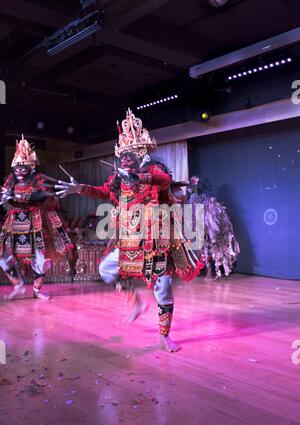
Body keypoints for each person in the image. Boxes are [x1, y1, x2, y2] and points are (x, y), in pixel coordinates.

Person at [55, 109, 203, 352]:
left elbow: (163, 179)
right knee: (106, 269)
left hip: (156, 242)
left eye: (130, 153)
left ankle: (164, 336)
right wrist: (79, 188)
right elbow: (103, 191)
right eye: (122, 153)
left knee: (163, 290)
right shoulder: (118, 179)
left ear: (142, 153)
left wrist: (138, 178)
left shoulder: (154, 171)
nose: (125, 157)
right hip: (129, 241)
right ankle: (135, 303)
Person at [0, 135, 72, 300]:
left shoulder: (38, 181)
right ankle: (18, 284)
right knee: (2, 254)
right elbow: (7, 202)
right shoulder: (10, 182)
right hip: (15, 223)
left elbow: (40, 196)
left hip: (37, 223)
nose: (19, 171)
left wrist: (14, 196)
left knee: (42, 259)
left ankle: (37, 290)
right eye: (17, 168)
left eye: (23, 168)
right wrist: (6, 199)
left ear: (31, 168)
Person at [186, 175, 240, 279]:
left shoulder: (209, 199)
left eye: (194, 183)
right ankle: (207, 269)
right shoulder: (192, 197)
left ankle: (211, 270)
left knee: (211, 247)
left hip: (210, 227)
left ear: (200, 185)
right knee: (203, 248)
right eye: (191, 183)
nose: (192, 186)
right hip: (199, 226)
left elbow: (215, 214)